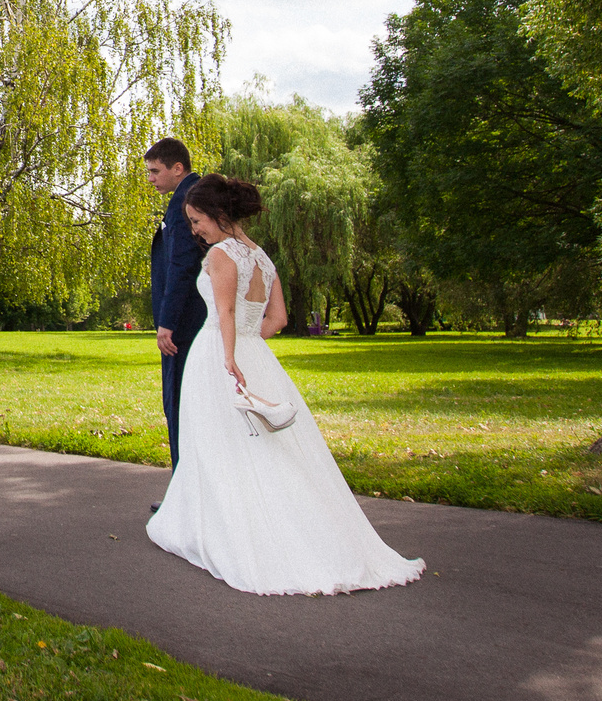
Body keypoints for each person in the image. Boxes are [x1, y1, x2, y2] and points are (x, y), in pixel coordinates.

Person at [147, 174, 424, 596]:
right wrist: (248, 342)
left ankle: (234, 530)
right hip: (257, 355)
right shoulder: (263, 258)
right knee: (268, 447)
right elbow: (276, 320)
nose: (194, 229)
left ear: (219, 215)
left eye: (197, 219)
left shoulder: (222, 254)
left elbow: (222, 313)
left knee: (218, 443)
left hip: (221, 357)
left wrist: (228, 357)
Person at [144, 138, 204, 467]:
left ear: (177, 168)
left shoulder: (186, 203)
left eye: (155, 171)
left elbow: (181, 267)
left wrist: (166, 323)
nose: (150, 178)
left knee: (179, 404)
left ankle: (184, 495)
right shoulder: (190, 196)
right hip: (192, 321)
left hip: (184, 324)